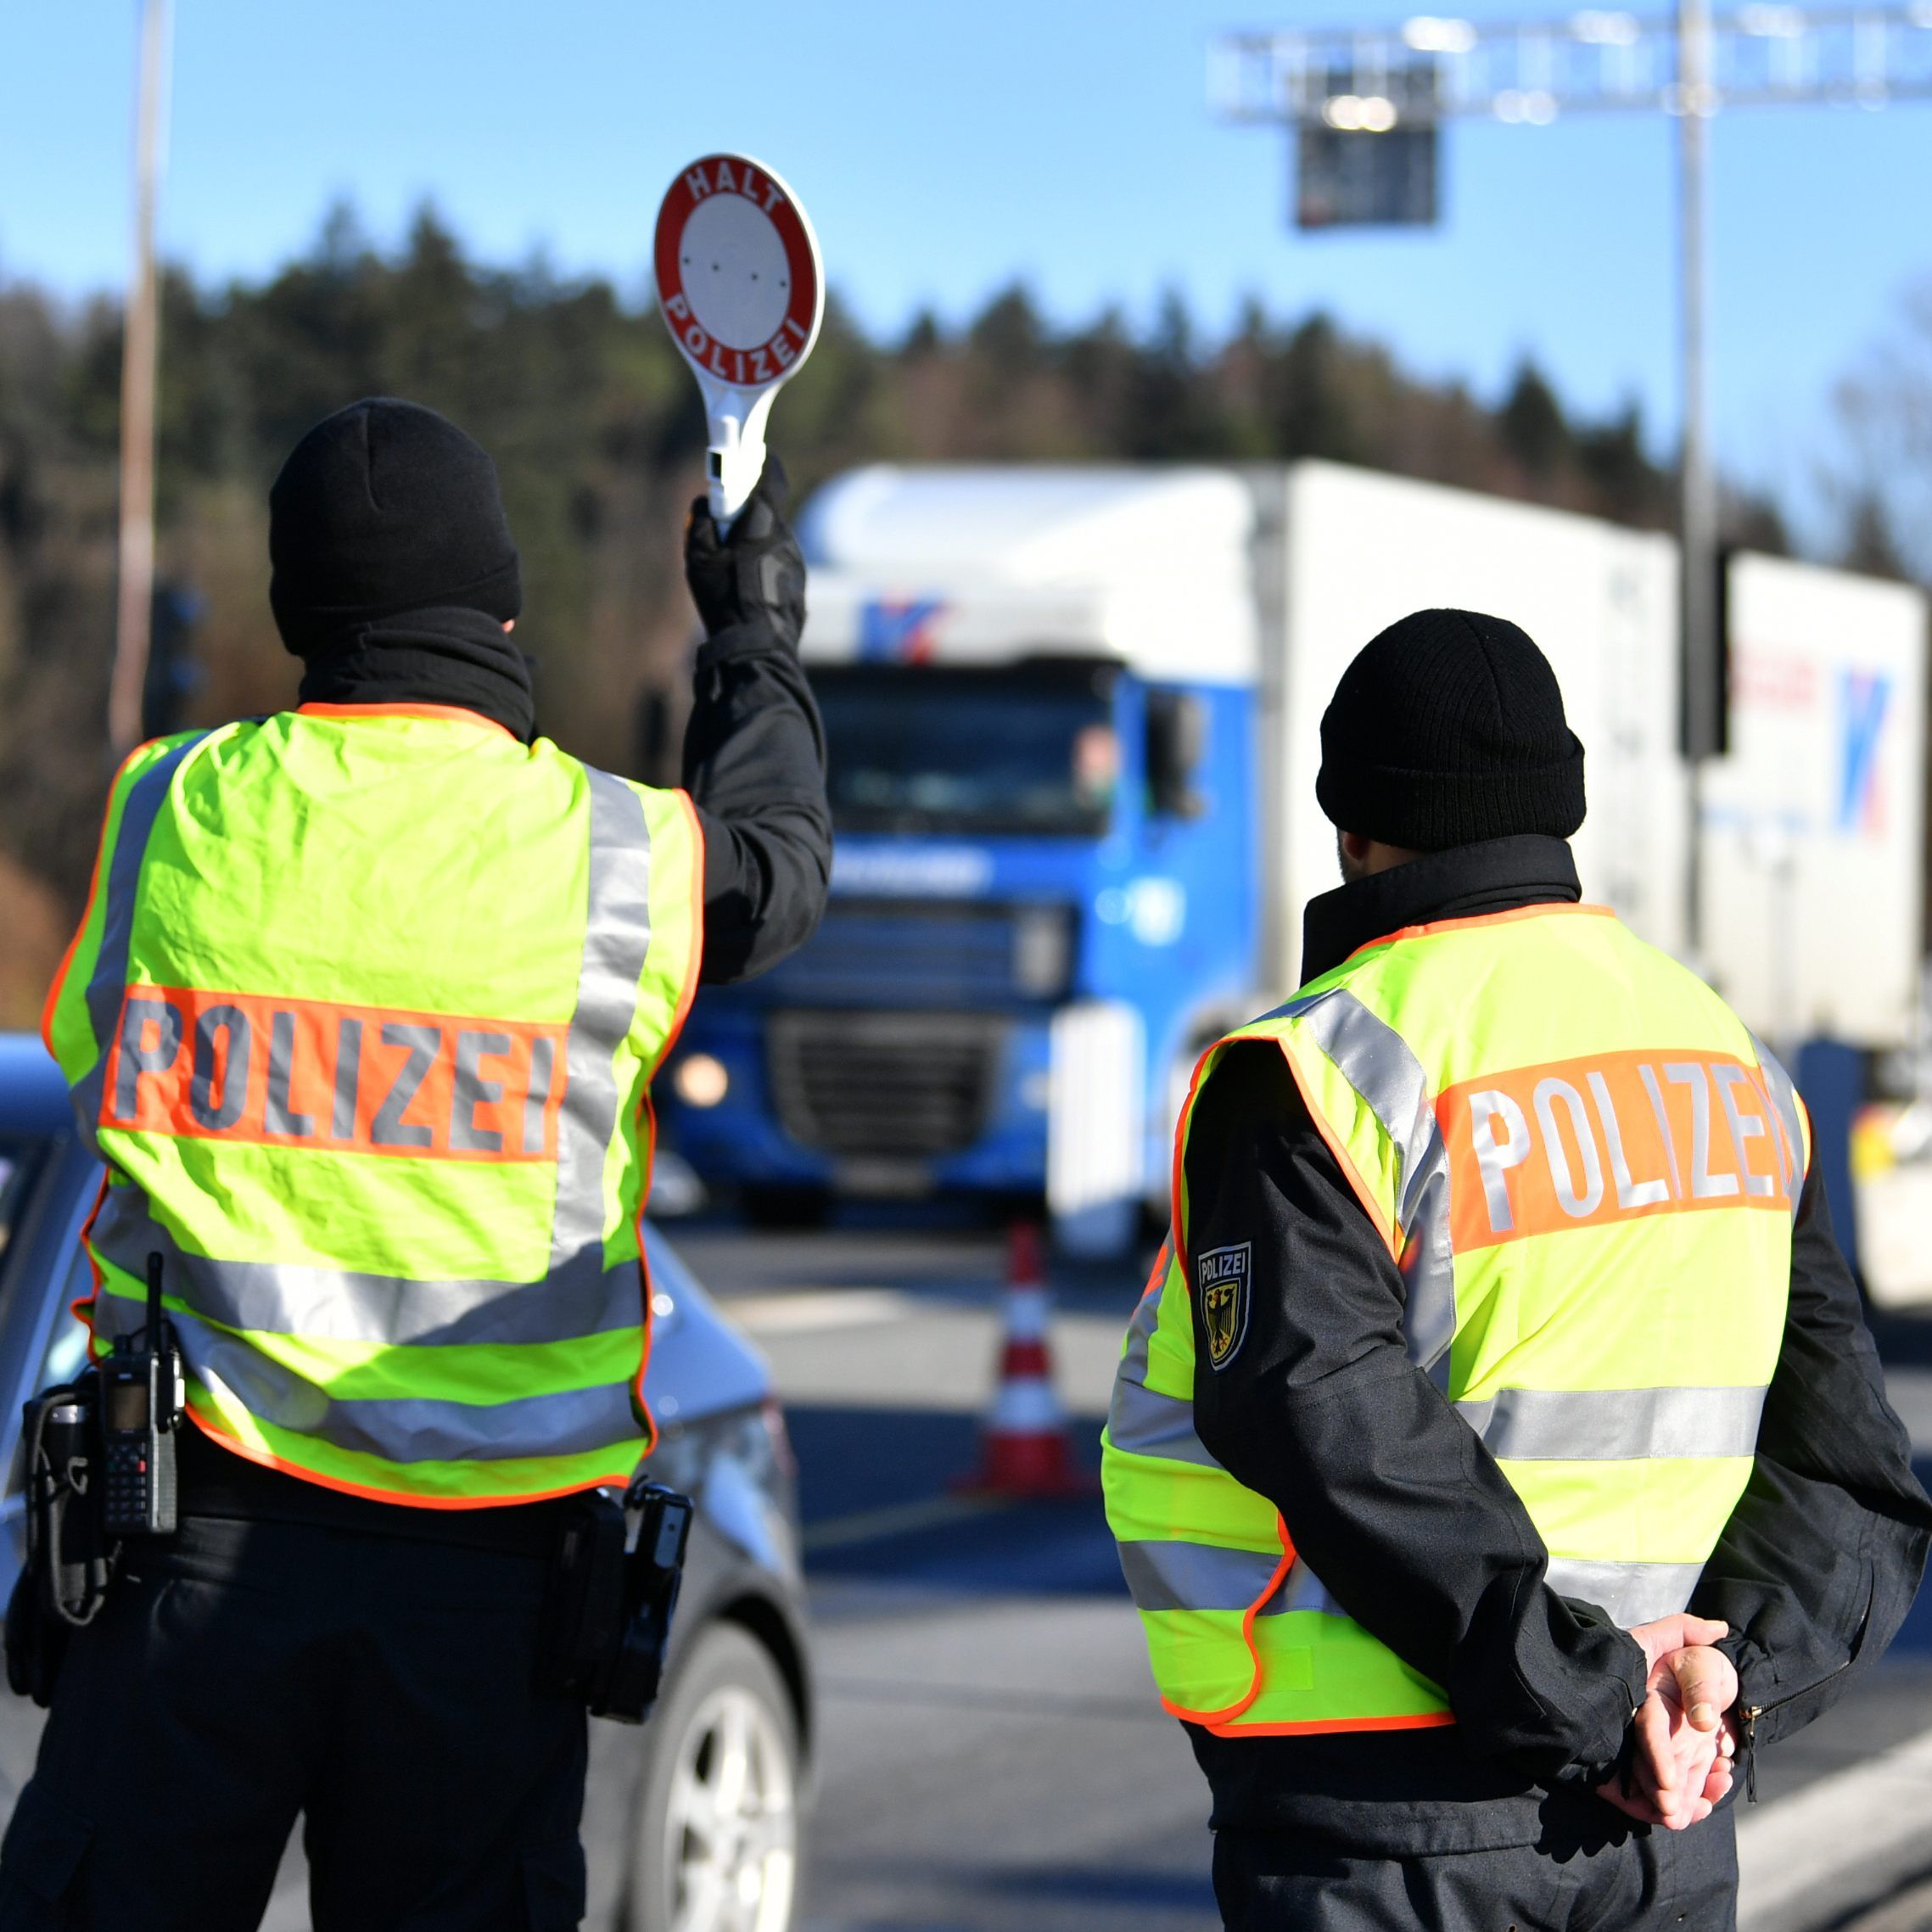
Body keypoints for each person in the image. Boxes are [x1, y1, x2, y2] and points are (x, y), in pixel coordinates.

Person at [0, 397, 831, 1930]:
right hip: (483, 1597)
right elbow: (774, 863)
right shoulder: (616, 853)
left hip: (187, 1550)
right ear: (501, 604)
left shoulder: (167, 809)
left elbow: (80, 1064)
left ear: (295, 607)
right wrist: (752, 634)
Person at [1102, 608, 1932, 1930]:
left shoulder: (1313, 1071)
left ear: (1351, 830)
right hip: (1665, 1810)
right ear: (1559, 814)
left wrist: (1588, 1698)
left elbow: (1321, 1421)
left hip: (1386, 1817)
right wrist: (1730, 1684)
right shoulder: (1727, 1061)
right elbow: (1849, 1459)